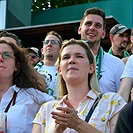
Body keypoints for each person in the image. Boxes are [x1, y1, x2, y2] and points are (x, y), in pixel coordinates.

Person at [32, 39, 126, 133]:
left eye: (79, 56)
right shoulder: (46, 110)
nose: (71, 61)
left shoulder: (112, 102)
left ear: (91, 68)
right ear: (59, 70)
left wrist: (78, 124)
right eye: (66, 57)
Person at [0, 40, 55, 133]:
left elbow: (58, 108)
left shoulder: (32, 96)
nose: (0, 58)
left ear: (16, 66)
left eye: (7, 55)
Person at [78, 7, 124, 93]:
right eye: (88, 24)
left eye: (97, 25)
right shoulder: (67, 61)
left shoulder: (116, 64)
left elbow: (121, 100)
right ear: (80, 29)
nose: (92, 28)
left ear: (103, 34)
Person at [35, 31, 63, 97]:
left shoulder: (65, 72)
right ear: (42, 50)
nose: (49, 44)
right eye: (46, 42)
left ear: (61, 50)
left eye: (54, 42)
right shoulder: (32, 72)